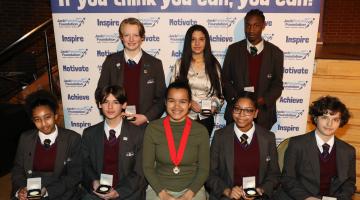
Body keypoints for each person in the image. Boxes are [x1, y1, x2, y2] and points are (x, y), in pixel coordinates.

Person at [277, 96, 355, 200]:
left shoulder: (348, 150)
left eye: (335, 119)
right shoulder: (297, 144)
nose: (329, 124)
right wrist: (307, 198)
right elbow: (287, 179)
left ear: (340, 122)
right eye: (324, 118)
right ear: (315, 118)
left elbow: (349, 183)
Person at [206, 91, 280, 200]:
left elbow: (275, 174)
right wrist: (227, 191)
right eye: (237, 109)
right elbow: (210, 174)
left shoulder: (268, 137)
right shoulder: (220, 136)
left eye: (248, 111)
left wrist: (261, 190)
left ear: (255, 113)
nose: (241, 114)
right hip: (227, 197)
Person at [143, 81, 210, 200]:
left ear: (189, 104)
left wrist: (188, 195)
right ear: (165, 102)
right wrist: (163, 194)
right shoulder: (153, 128)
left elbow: (204, 169)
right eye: (171, 101)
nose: (176, 106)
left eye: (182, 102)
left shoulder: (200, 131)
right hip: (159, 188)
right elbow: (147, 167)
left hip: (193, 189)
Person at [11, 90, 82, 200]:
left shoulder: (72, 139)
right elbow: (17, 169)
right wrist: (21, 189)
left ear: (56, 116)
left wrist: (47, 192)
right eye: (37, 120)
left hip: (59, 193)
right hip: (28, 192)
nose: (43, 124)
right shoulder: (25, 138)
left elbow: (74, 175)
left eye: (47, 117)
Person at [96, 17, 166, 127]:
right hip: (117, 124)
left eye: (136, 35)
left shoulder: (155, 64)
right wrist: (113, 113)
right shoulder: (111, 61)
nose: (131, 39)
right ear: (121, 38)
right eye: (127, 35)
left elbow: (162, 98)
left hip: (145, 127)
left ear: (142, 37)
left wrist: (146, 117)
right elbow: (100, 92)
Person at [222, 9, 284, 130]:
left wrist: (263, 101)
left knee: (260, 148)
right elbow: (224, 80)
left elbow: (277, 84)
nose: (251, 30)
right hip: (236, 113)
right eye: (248, 25)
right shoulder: (233, 50)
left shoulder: (276, 53)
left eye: (256, 26)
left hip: (263, 114)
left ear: (263, 26)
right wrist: (237, 101)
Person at [81, 85, 146, 200]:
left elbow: (140, 172)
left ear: (124, 105)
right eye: (106, 102)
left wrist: (118, 192)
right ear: (100, 104)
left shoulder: (138, 134)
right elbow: (85, 165)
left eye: (115, 102)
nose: (110, 107)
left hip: (128, 194)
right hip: (97, 194)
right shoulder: (89, 134)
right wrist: (94, 182)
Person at [170, 24, 223, 135]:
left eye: (201, 39)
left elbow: (220, 96)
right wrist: (188, 102)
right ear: (188, 42)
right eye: (193, 39)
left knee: (201, 151)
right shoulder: (180, 64)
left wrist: (213, 107)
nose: (197, 43)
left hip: (206, 119)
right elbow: (172, 93)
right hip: (182, 116)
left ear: (206, 42)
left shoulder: (214, 65)